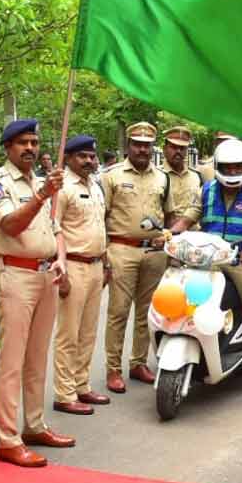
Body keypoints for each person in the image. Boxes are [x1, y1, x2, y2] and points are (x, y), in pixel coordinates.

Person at [0, 118, 74, 467]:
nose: (31, 149)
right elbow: (10, 224)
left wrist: (61, 259)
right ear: (8, 147)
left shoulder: (41, 181)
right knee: (12, 361)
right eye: (23, 143)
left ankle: (34, 425)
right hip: (15, 276)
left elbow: (56, 229)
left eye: (34, 142)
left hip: (45, 274)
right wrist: (42, 195)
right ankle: (8, 439)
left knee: (37, 357)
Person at [169, 138, 242, 399]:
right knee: (178, 297)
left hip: (238, 261)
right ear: (219, 166)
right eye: (227, 167)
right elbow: (188, 218)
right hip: (204, 260)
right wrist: (169, 234)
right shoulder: (207, 189)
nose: (232, 172)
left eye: (237, 167)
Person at [100, 121, 169, 393]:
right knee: (118, 312)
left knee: (147, 312)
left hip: (154, 252)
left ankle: (138, 362)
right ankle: (113, 369)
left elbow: (169, 214)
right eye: (137, 144)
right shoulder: (112, 176)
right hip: (121, 249)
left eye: (147, 145)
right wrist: (104, 254)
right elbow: (100, 216)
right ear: (128, 146)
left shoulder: (162, 177)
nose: (142, 149)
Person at [51, 135, 111, 415]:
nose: (89, 161)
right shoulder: (61, 188)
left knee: (88, 332)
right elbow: (55, 229)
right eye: (82, 156)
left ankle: (81, 385)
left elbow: (100, 227)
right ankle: (64, 394)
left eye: (91, 156)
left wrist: (107, 262)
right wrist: (60, 269)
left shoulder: (95, 186)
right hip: (72, 266)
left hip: (97, 266)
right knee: (68, 334)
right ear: (69, 158)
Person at [160, 125, 203, 229]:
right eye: (174, 147)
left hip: (194, 237)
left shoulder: (196, 176)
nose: (178, 151)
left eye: (182, 148)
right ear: (165, 149)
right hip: (166, 236)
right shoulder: (157, 176)